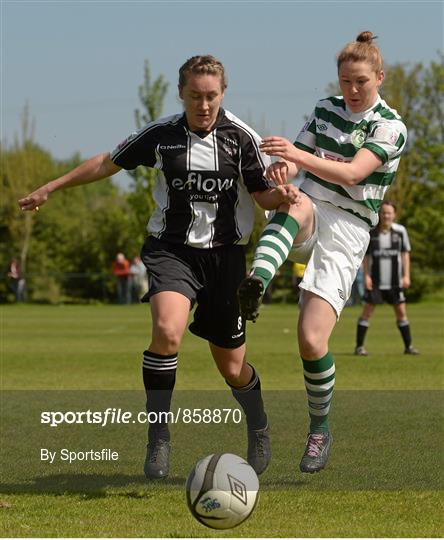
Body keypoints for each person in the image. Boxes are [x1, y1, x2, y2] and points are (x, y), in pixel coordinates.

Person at [18, 55, 300, 480]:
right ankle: (158, 436)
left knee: (232, 367)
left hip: (226, 258)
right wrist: (52, 186)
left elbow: (263, 196)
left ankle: (258, 424)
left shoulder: (242, 138)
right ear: (181, 93)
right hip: (172, 250)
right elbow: (107, 162)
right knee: (167, 332)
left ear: (223, 93)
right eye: (194, 96)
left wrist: (286, 197)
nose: (203, 104)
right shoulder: (162, 135)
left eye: (211, 96)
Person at [237, 32, 408, 474]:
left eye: (361, 82)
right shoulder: (325, 109)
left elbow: (353, 174)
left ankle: (320, 428)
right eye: (345, 81)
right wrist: (282, 168)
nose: (351, 90)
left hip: (349, 227)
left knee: (312, 340)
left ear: (380, 79)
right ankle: (256, 280)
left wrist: (297, 156)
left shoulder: (390, 127)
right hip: (310, 206)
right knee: (295, 198)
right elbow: (297, 163)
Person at [355, 201, 419, 356]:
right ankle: (359, 347)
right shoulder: (372, 232)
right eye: (383, 212)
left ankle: (408, 347)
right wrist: (367, 276)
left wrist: (406, 275)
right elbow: (366, 257)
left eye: (389, 213)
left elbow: (405, 254)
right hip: (375, 282)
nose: (386, 215)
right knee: (367, 313)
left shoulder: (400, 231)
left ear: (394, 214)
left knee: (401, 313)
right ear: (379, 214)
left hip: (395, 282)